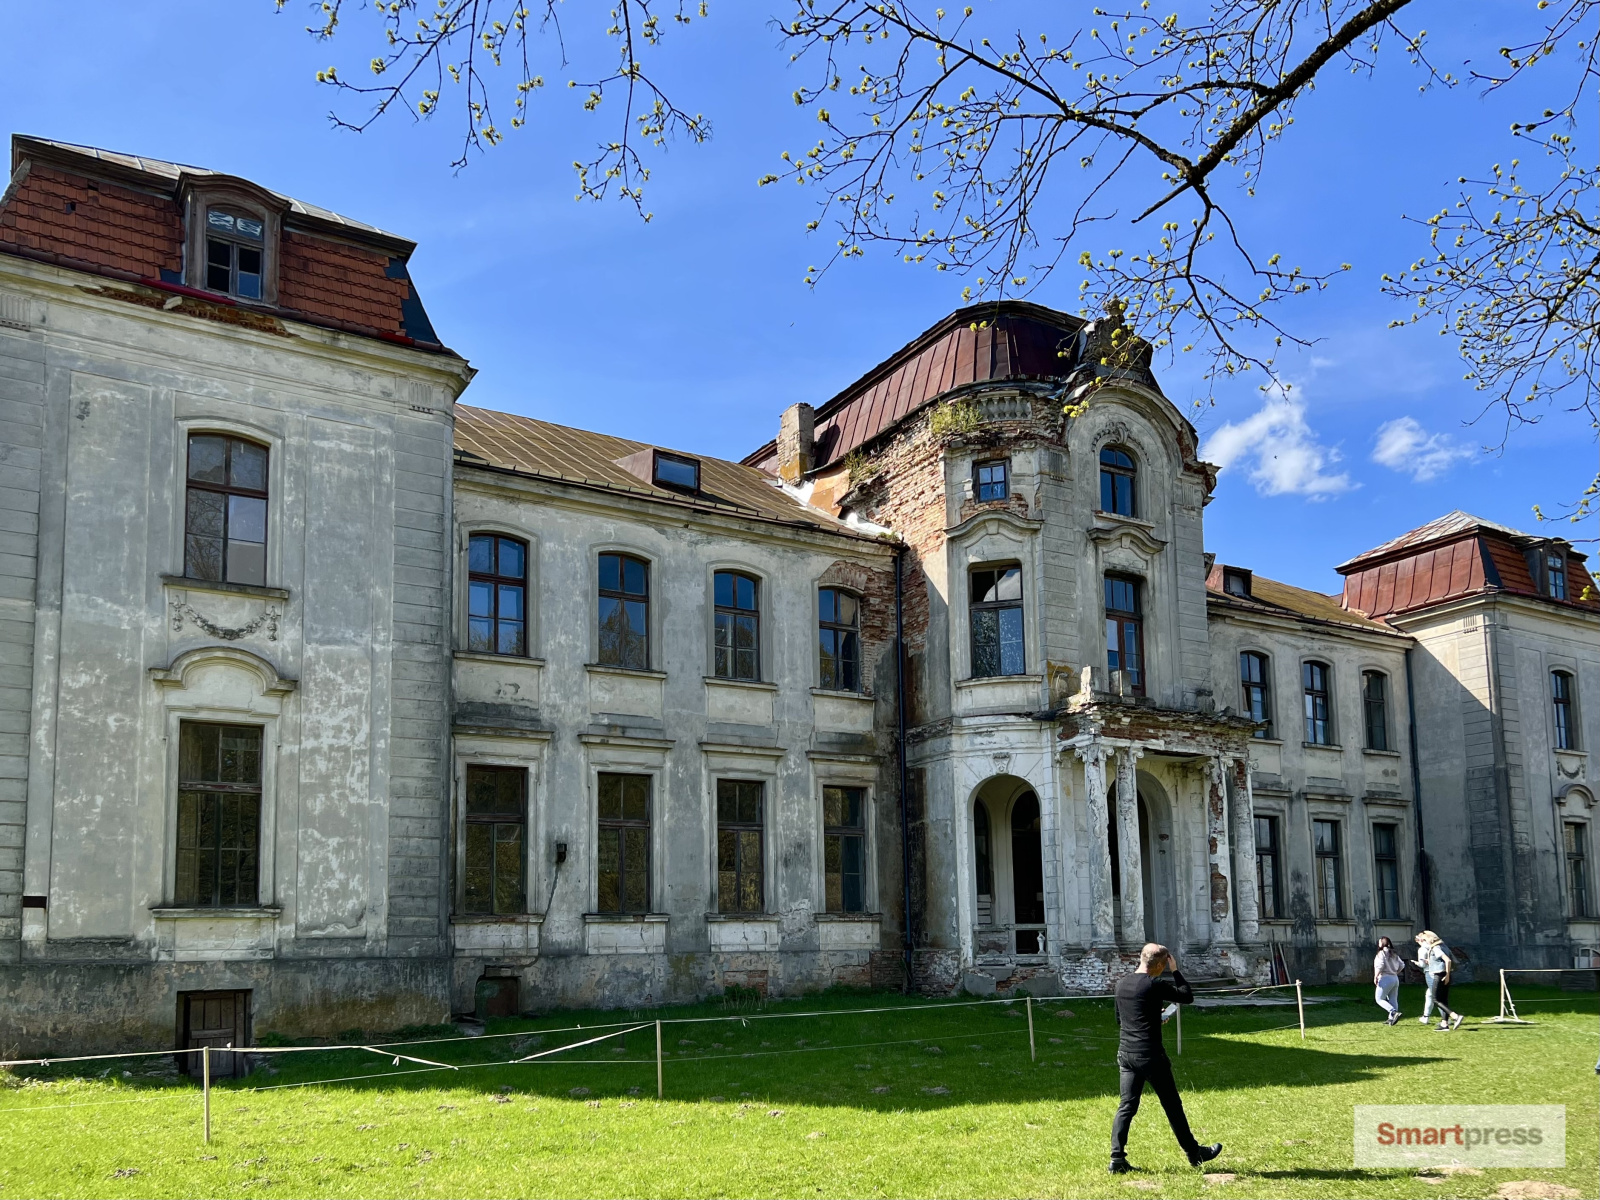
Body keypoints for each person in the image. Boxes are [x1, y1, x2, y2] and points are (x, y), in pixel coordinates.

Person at [1109, 943, 1223, 1175]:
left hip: (1126, 1054)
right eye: (1165, 965)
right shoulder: (1155, 984)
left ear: (1141, 959)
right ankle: (1194, 1153)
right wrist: (1176, 970)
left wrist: (1154, 1016)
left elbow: (1122, 1020)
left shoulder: (1121, 983)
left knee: (1126, 1107)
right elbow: (1186, 996)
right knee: (1172, 1105)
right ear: (1160, 965)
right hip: (1150, 1055)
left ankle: (1117, 1159)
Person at [1413, 931, 1464, 1031]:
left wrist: (1447, 975)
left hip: (1439, 974)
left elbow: (1447, 960)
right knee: (1444, 999)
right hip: (1445, 974)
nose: (1424, 941)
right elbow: (1442, 960)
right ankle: (1445, 1024)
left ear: (1430, 938)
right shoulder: (1443, 946)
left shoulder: (1436, 948)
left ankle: (1455, 1016)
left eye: (1425, 939)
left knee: (1436, 999)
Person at [1373, 936, 1405, 1025]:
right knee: (1393, 999)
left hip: (1385, 978)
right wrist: (1395, 972)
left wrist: (1376, 976)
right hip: (1395, 978)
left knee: (1379, 999)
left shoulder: (1381, 953)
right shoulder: (1394, 953)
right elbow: (1402, 965)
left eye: (1379, 942)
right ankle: (1391, 1019)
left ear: (1382, 943)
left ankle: (1393, 1012)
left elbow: (1380, 966)